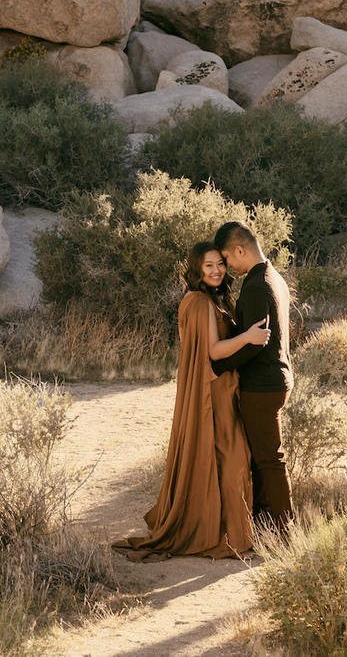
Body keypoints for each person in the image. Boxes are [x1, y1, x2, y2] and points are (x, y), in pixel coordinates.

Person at [117, 243, 267, 559]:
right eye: (208, 265)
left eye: (220, 264)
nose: (216, 270)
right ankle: (229, 537)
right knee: (232, 457)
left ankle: (225, 529)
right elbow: (212, 351)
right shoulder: (199, 302)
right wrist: (248, 337)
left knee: (226, 458)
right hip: (211, 393)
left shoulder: (207, 299)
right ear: (197, 269)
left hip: (219, 389)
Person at [210, 220, 293, 534]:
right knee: (262, 458)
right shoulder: (274, 277)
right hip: (276, 379)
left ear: (240, 250)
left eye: (228, 259)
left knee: (269, 460)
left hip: (262, 385)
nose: (227, 267)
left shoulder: (258, 286)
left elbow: (256, 343)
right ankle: (266, 524)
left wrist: (217, 367)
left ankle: (286, 531)